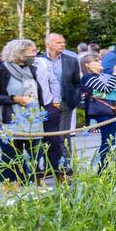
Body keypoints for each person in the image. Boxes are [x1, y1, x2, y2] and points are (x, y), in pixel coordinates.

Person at [0, 39, 46, 186]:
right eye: (32, 51)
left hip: (34, 121)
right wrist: (14, 99)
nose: (35, 54)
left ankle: (31, 185)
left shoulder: (31, 69)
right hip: (8, 121)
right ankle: (9, 186)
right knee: (11, 156)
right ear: (20, 53)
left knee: (35, 155)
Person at [35, 33, 79, 179]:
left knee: (63, 135)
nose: (62, 45)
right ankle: (48, 166)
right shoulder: (38, 60)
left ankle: (65, 167)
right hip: (45, 104)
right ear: (48, 44)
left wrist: (74, 98)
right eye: (58, 42)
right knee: (46, 136)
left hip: (65, 103)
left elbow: (77, 82)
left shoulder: (71, 60)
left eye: (63, 42)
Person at [78, 52, 116, 169]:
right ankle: (102, 169)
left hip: (113, 111)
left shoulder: (103, 76)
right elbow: (107, 89)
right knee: (108, 141)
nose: (100, 62)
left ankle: (113, 167)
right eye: (96, 60)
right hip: (103, 113)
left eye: (100, 60)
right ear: (87, 65)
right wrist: (115, 73)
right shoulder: (88, 78)